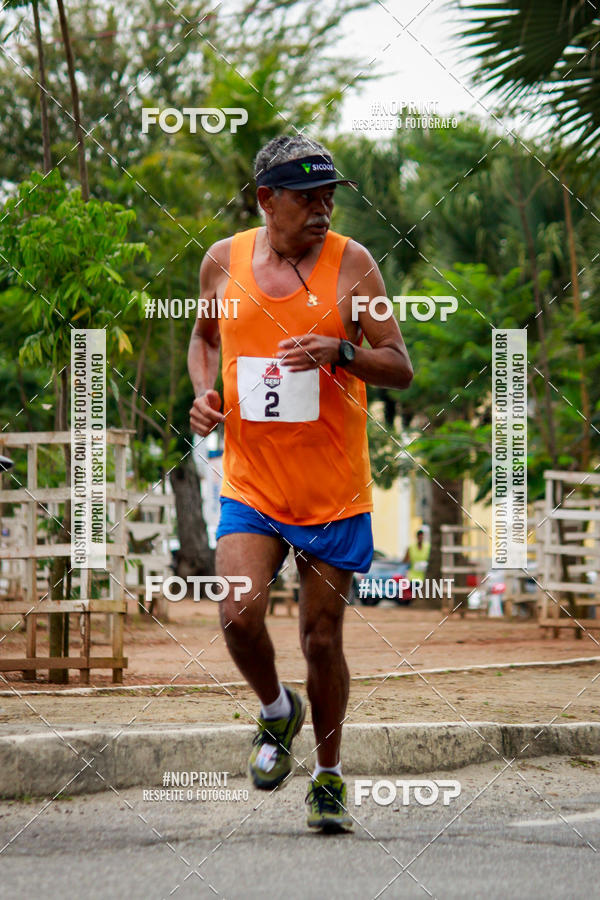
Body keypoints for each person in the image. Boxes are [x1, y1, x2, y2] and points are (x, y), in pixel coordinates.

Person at [188, 134, 413, 832]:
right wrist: (203, 394)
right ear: (266, 200)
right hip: (252, 482)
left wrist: (342, 351)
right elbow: (203, 337)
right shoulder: (223, 262)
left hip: (332, 489)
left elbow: (399, 364)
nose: (322, 211)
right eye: (306, 198)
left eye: (329, 198)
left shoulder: (355, 267)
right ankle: (276, 710)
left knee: (321, 638)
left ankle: (329, 774)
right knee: (236, 613)